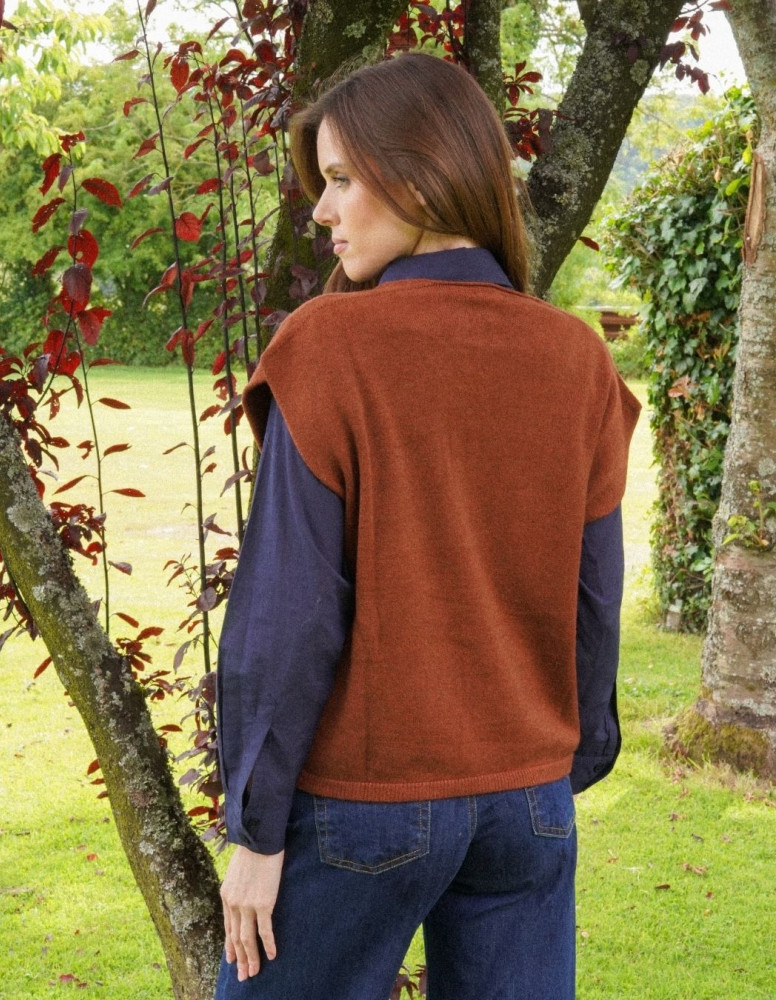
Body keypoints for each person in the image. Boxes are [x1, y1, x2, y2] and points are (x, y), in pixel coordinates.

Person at [214, 51, 640, 1000]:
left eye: (340, 179)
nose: (321, 211)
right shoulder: (577, 358)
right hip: (526, 803)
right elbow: (595, 598)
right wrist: (558, 763)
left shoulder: (328, 347)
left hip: (365, 803)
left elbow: (289, 614)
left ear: (417, 174)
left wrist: (255, 829)